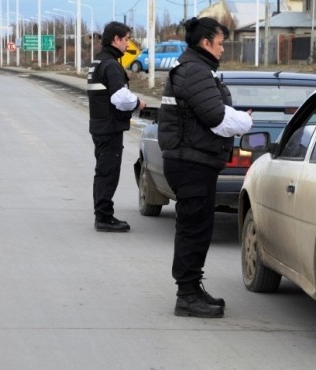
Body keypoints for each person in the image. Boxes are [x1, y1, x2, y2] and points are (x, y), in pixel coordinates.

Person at [158, 17, 253, 318]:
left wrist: (233, 117)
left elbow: (210, 112)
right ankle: (186, 295)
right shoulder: (195, 71)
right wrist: (245, 121)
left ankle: (192, 287)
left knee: (198, 228)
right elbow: (217, 119)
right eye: (221, 43)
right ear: (205, 43)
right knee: (193, 229)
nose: (223, 49)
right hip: (190, 163)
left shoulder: (196, 70)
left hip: (193, 161)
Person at [87, 21, 146, 232]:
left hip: (100, 125)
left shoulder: (99, 61)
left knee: (103, 171)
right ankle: (104, 217)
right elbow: (120, 97)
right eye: (126, 39)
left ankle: (102, 214)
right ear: (116, 40)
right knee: (108, 172)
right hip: (109, 127)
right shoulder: (111, 64)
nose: (128, 43)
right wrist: (137, 103)